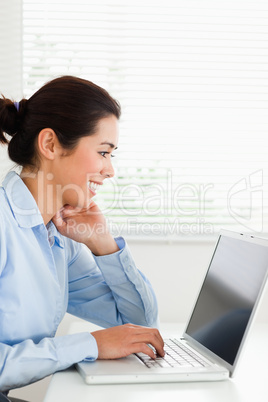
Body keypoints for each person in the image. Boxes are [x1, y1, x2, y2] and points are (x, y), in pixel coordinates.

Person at [0, 76, 164, 394]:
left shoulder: (57, 238)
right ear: (50, 145)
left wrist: (104, 246)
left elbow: (141, 323)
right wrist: (89, 344)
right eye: (103, 152)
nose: (110, 170)